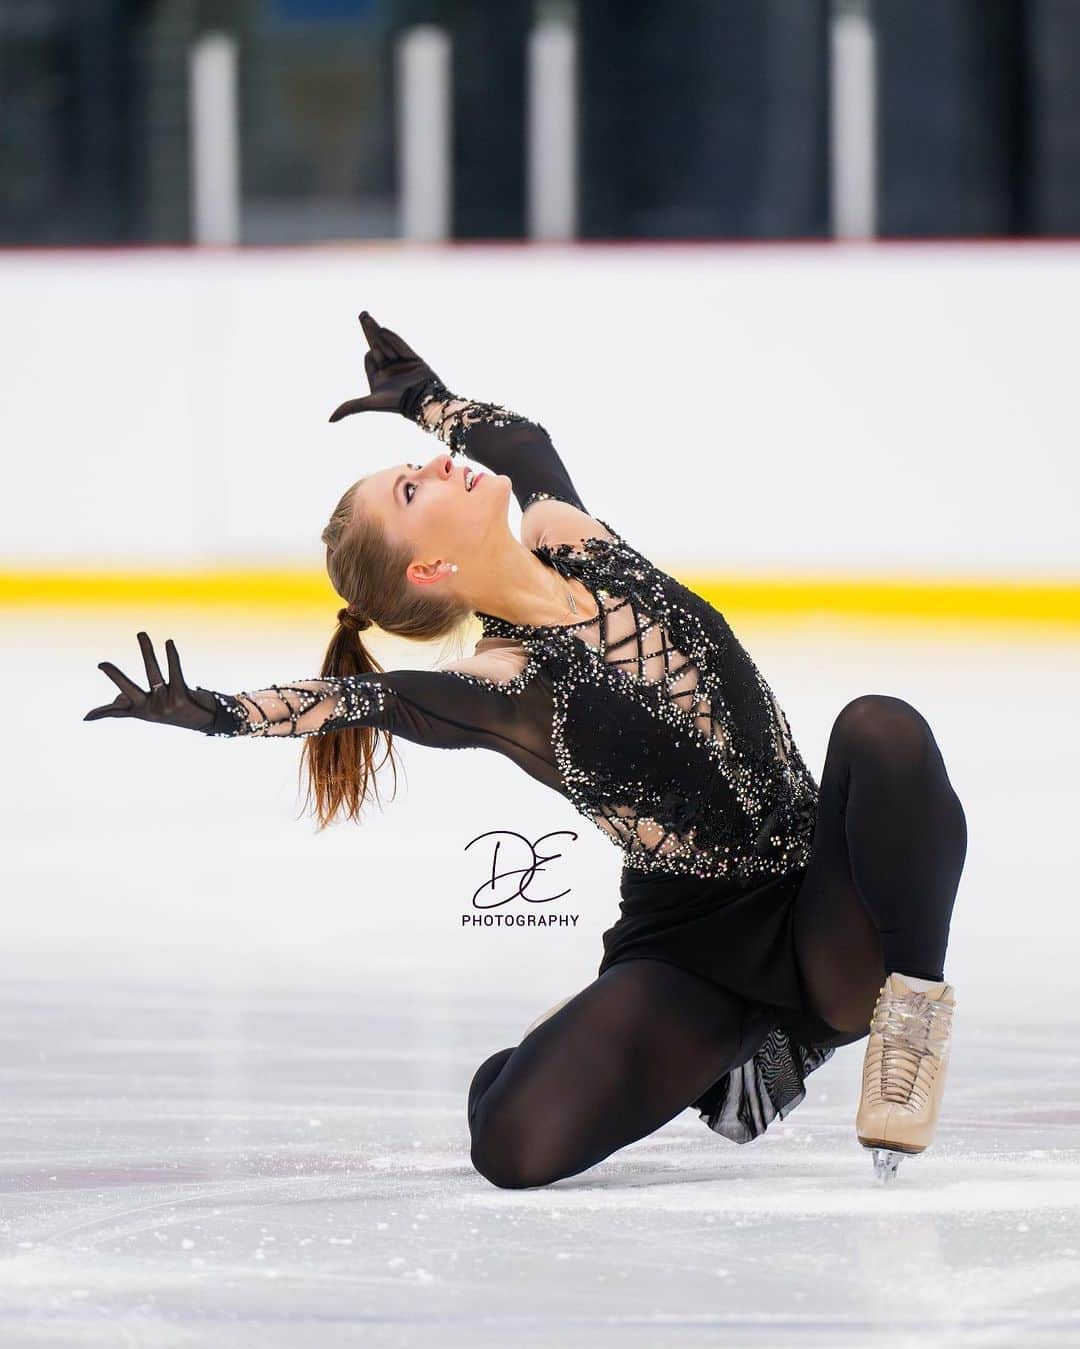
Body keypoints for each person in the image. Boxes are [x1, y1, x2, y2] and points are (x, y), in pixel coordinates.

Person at [84, 312, 968, 1188]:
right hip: (694, 954)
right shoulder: (504, 681)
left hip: (827, 913)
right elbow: (358, 699)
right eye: (409, 490)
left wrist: (421, 398)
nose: (435, 466)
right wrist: (216, 712)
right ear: (429, 572)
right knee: (509, 1141)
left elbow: (523, 440)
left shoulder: (572, 537)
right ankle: (720, 1059)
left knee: (880, 727)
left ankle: (912, 1027)